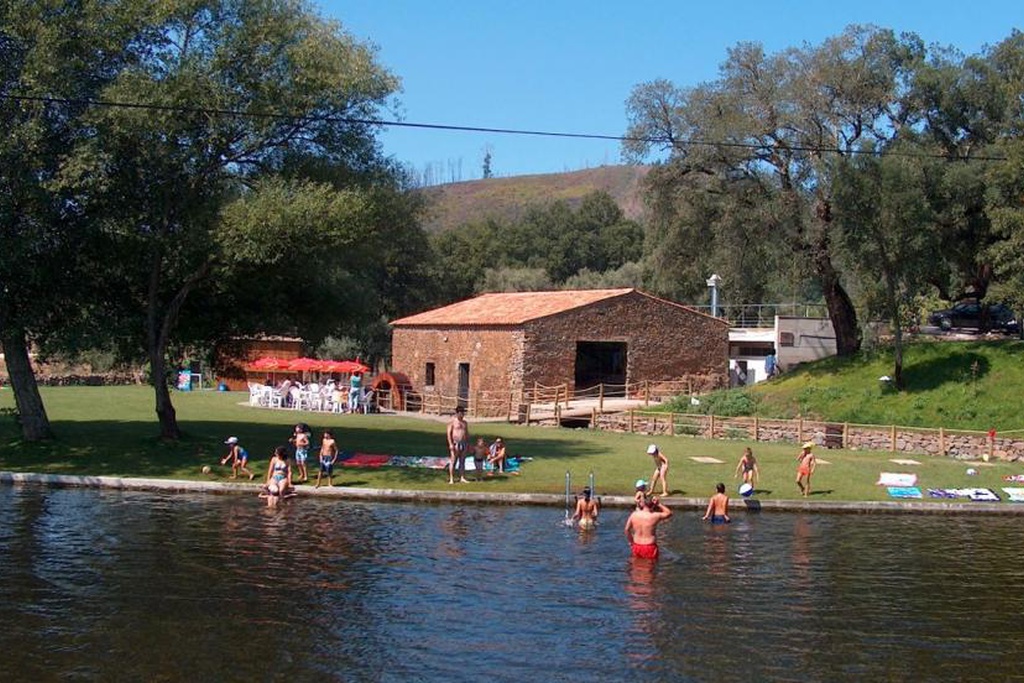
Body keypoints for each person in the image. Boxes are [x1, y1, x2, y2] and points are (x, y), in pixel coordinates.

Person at [624, 495, 672, 559]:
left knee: (636, 567)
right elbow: (669, 513)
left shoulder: (634, 515)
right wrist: (658, 504)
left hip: (636, 545)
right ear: (652, 504)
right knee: (649, 567)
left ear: (643, 503)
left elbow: (626, 530)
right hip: (650, 546)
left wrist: (631, 542)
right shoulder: (655, 516)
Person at [446, 405, 469, 484]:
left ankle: (462, 477)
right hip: (455, 443)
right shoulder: (452, 422)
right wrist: (450, 444)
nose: (462, 415)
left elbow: (466, 433)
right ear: (457, 413)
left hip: (463, 443)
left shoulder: (465, 423)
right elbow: (449, 434)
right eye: (461, 413)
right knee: (453, 460)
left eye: (463, 413)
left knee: (462, 461)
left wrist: (467, 443)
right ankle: (451, 478)